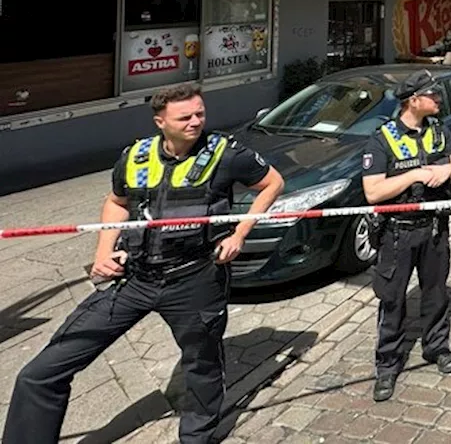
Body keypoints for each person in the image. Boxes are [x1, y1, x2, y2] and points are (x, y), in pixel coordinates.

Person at [4, 84, 284, 444]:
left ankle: (198, 437)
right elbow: (117, 203)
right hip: (135, 279)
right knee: (41, 372)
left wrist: (239, 234)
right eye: (185, 117)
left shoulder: (226, 153)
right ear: (160, 122)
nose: (196, 122)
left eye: (200, 113)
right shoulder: (135, 155)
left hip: (195, 279)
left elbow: (272, 183)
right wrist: (103, 253)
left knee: (201, 366)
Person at [361, 69, 451, 401]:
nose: (438, 99)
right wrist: (415, 176)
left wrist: (445, 170)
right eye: (431, 95)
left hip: (434, 228)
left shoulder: (439, 131)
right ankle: (387, 366)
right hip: (397, 233)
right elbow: (373, 192)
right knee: (392, 300)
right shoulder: (383, 138)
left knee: (436, 294)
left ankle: (437, 347)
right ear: (413, 101)